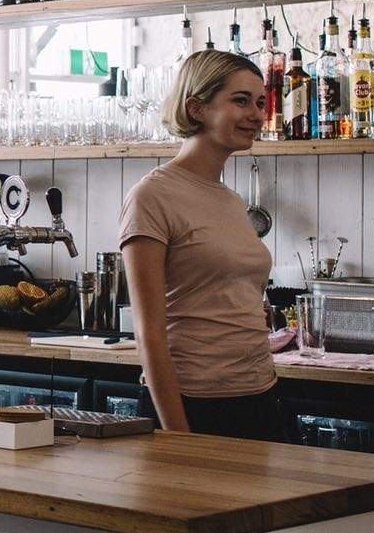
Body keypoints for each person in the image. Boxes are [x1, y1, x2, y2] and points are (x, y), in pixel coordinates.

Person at [119, 50, 290, 441]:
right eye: (240, 100)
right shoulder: (152, 196)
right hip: (192, 403)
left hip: (259, 393)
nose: (257, 115)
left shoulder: (230, 200)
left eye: (260, 102)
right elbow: (149, 333)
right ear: (196, 108)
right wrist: (179, 438)